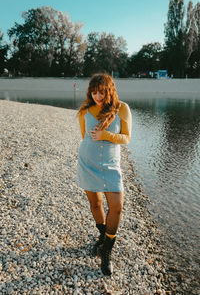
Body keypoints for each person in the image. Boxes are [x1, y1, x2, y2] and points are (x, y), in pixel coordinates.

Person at [76, 73, 132, 276]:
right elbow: (85, 138)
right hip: (88, 162)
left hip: (111, 165)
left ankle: (107, 250)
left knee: (116, 207)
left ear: (109, 90)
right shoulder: (85, 111)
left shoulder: (122, 108)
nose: (97, 96)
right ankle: (102, 237)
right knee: (95, 204)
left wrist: (105, 135)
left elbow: (126, 138)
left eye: (101, 92)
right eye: (94, 92)